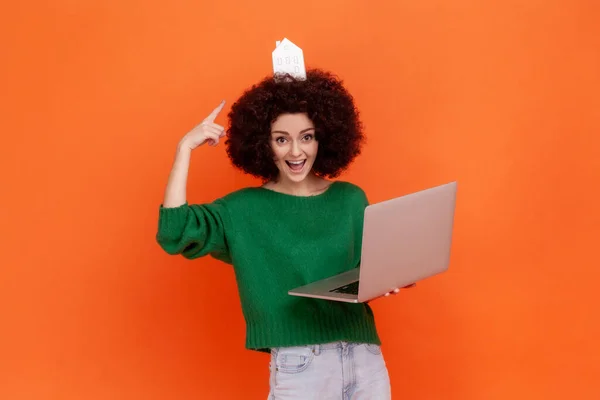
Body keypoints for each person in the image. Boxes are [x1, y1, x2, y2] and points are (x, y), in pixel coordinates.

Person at [156, 69, 411, 399]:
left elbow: (363, 273)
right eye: (281, 139)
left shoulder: (350, 199)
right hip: (301, 363)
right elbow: (173, 232)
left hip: (365, 357)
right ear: (263, 144)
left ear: (324, 137)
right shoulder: (242, 210)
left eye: (306, 137)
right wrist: (184, 148)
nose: (295, 152)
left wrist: (385, 280)